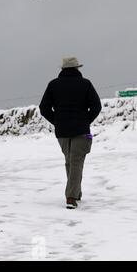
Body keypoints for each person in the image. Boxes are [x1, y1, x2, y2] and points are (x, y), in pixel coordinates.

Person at [39, 57, 102, 209]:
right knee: (76, 162)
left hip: (62, 132)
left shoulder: (53, 85)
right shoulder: (85, 84)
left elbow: (44, 108)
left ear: (62, 69)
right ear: (77, 68)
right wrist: (86, 120)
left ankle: (76, 193)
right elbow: (96, 106)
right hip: (81, 130)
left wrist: (57, 121)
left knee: (70, 161)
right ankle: (71, 197)